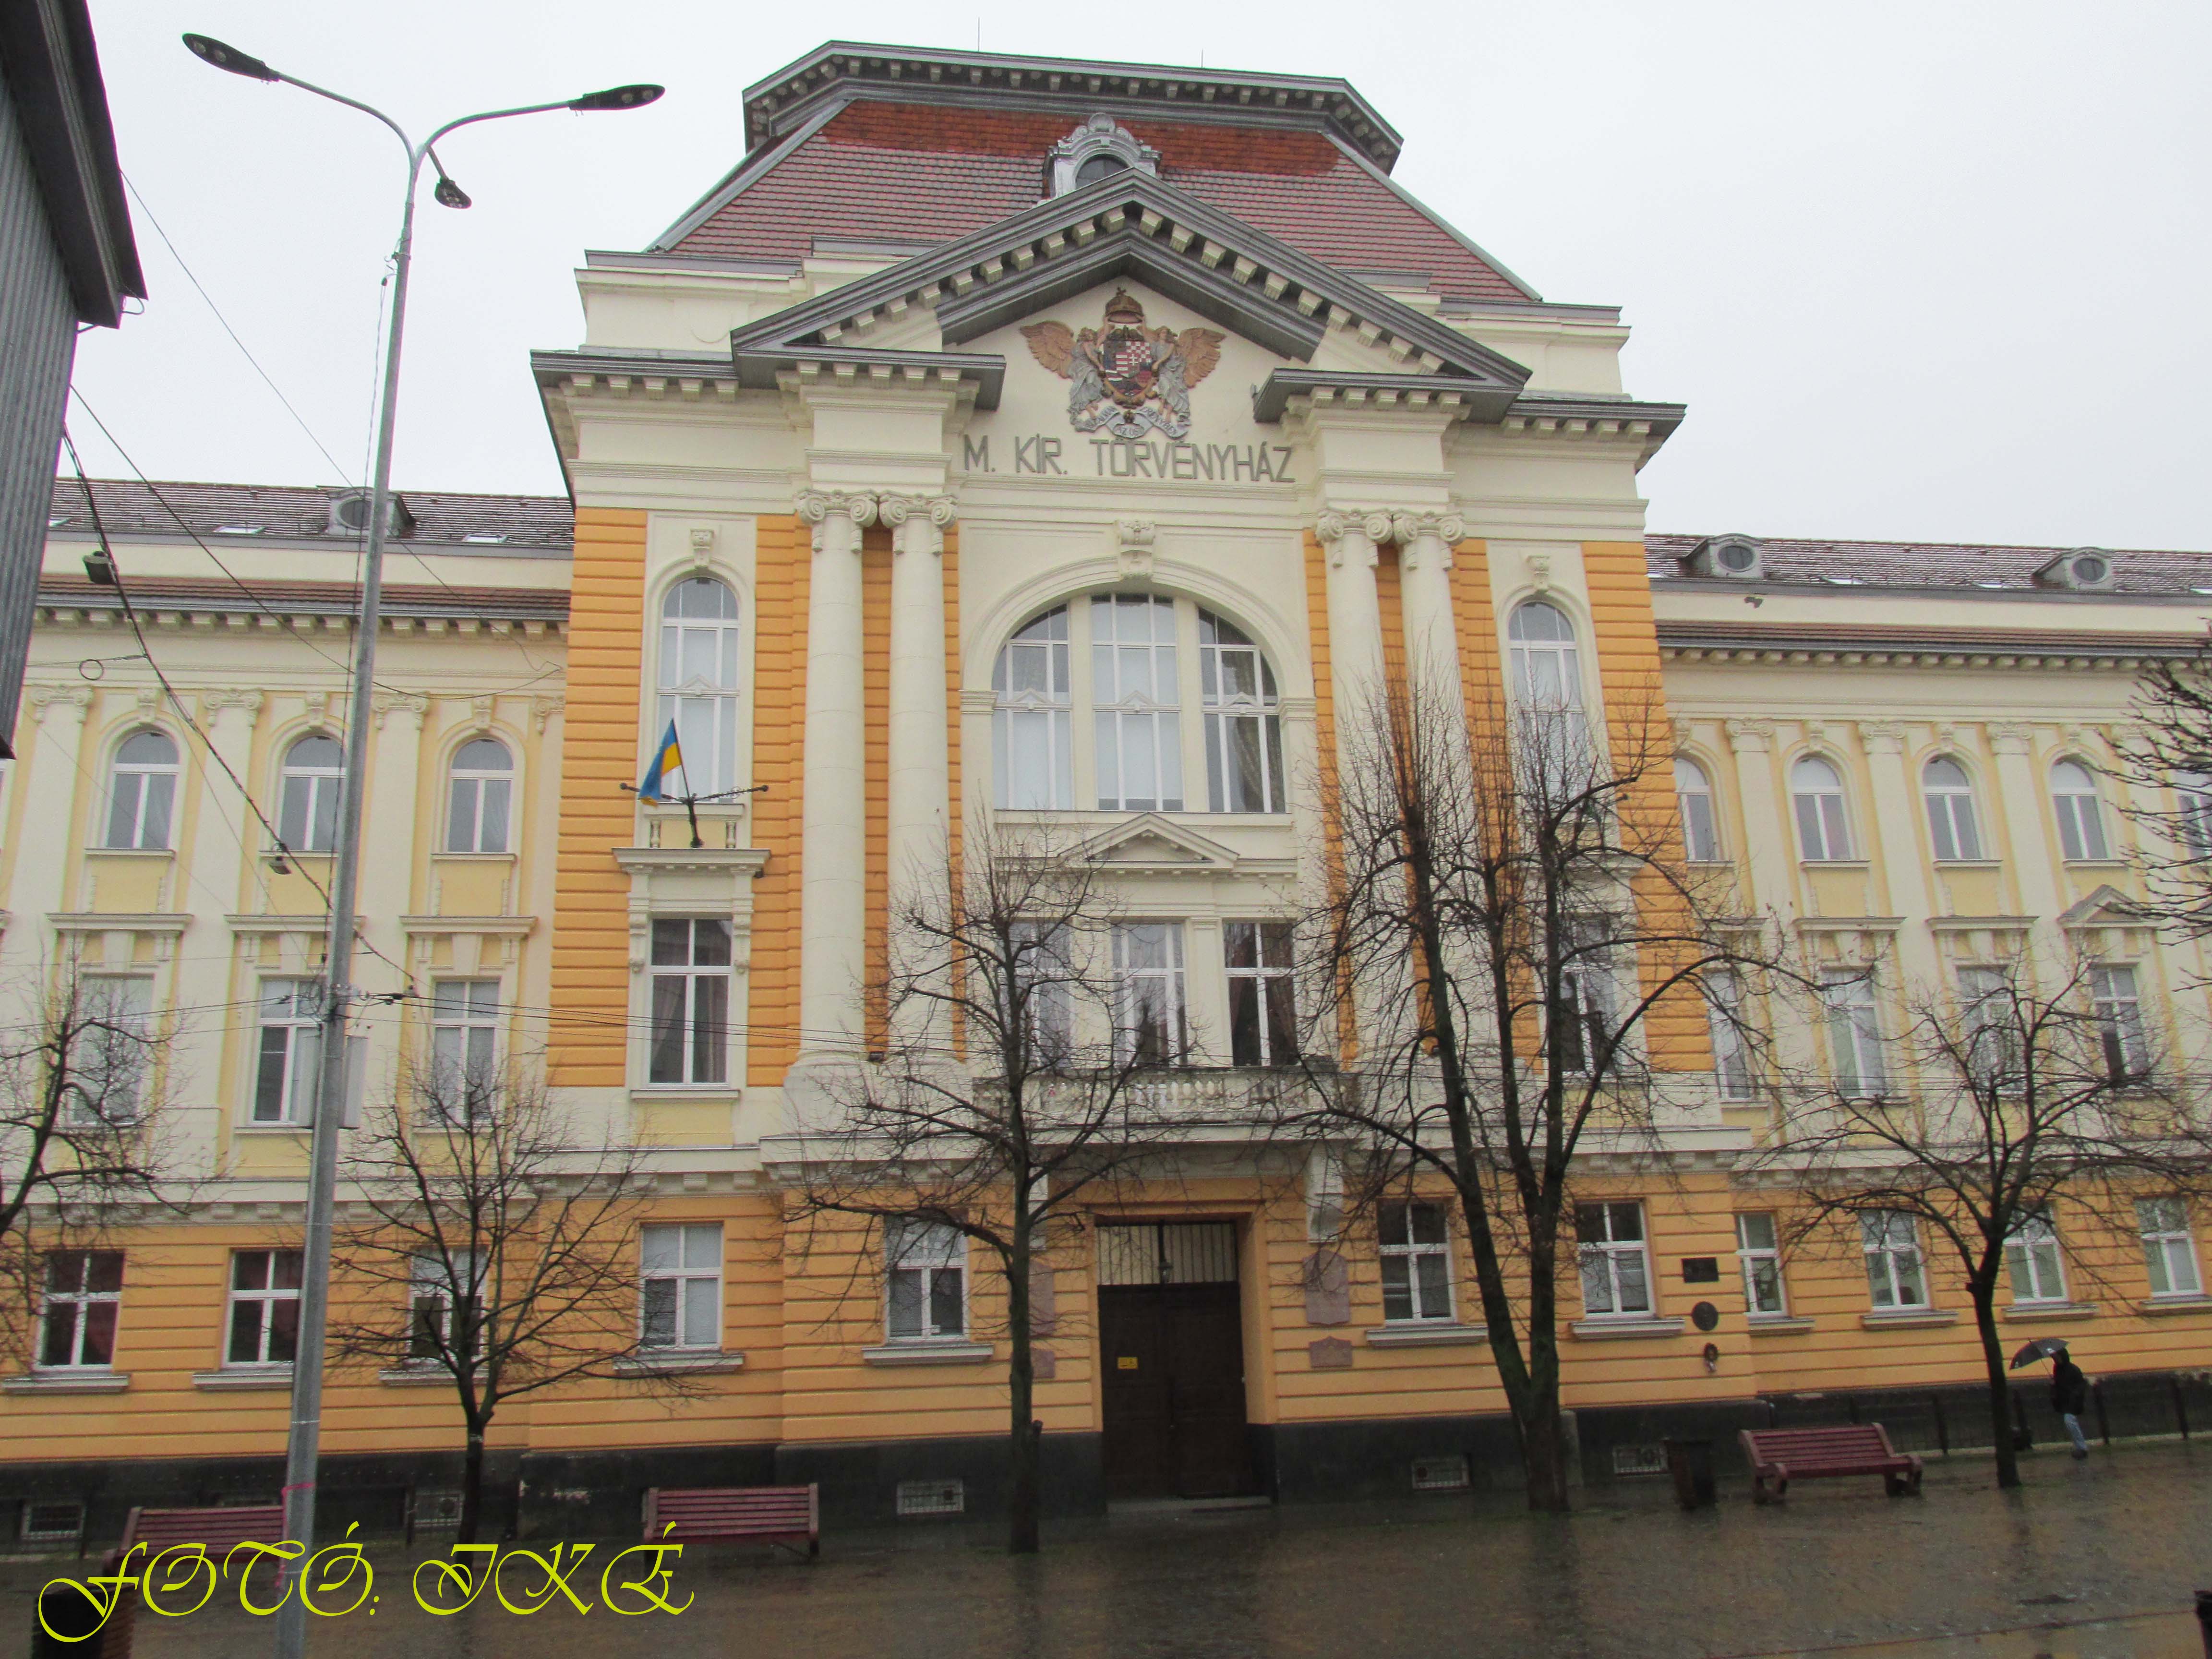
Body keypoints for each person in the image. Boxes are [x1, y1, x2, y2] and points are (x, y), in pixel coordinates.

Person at [2051, 1347, 2092, 1459]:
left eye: (2057, 1357)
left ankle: (2082, 1448)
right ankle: (2079, 1447)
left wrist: (2074, 1395)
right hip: (2064, 1401)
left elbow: (2081, 1385)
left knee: (2070, 1422)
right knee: (2070, 1424)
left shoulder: (2073, 1370)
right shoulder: (2057, 1369)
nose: (2056, 1359)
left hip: (2073, 1401)